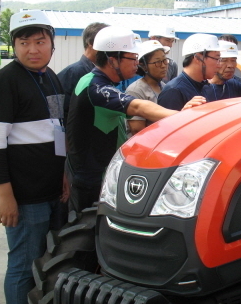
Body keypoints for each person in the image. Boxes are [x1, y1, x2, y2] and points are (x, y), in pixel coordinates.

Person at [0, 10, 65, 304]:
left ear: (51, 44)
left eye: (40, 41)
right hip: (22, 195)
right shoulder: (3, 82)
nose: (33, 48)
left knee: (46, 262)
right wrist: (5, 196)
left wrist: (64, 177)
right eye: (24, 42)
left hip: (51, 188)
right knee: (23, 263)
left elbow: (57, 131)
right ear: (13, 45)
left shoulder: (51, 78)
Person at [66, 26, 178, 213]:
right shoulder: (95, 87)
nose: (137, 63)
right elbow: (137, 106)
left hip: (95, 173)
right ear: (112, 60)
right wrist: (184, 116)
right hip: (91, 179)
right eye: (133, 58)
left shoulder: (98, 81)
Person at [57, 22, 109, 125]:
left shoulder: (101, 72)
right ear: (91, 43)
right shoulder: (74, 72)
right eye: (107, 42)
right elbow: (60, 112)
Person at [157, 33, 223, 111]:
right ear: (198, 58)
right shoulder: (173, 91)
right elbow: (166, 123)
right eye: (216, 59)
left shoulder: (205, 87)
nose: (219, 65)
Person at [125, 40, 170, 136]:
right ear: (143, 66)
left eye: (164, 60)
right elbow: (137, 130)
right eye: (157, 62)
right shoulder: (136, 90)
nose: (163, 65)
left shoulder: (165, 87)